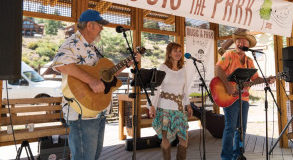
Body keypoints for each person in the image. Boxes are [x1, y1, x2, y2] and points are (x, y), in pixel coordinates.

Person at [52, 9, 141, 160]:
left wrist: (128, 63)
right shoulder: (73, 42)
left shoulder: (93, 48)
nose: (102, 28)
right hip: (81, 112)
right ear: (90, 25)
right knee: (84, 157)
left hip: (97, 110)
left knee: (93, 156)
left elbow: (105, 76)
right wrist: (91, 81)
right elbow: (60, 64)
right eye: (100, 25)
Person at [215, 32, 275, 160]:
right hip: (229, 97)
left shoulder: (249, 60)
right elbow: (218, 69)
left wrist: (266, 79)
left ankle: (238, 155)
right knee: (230, 127)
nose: (240, 44)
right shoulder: (229, 55)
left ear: (248, 45)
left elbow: (254, 79)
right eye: (238, 42)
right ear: (236, 44)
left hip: (245, 98)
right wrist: (227, 85)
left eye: (244, 42)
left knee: (241, 128)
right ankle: (226, 157)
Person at [148, 42, 193, 160]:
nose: (178, 53)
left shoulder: (183, 69)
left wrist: (188, 104)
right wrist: (152, 106)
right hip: (164, 107)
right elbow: (156, 89)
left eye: (180, 51)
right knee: (165, 138)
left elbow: (185, 89)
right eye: (175, 51)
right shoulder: (162, 68)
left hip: (179, 108)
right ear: (169, 53)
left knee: (184, 140)